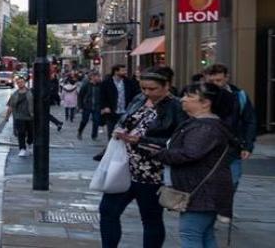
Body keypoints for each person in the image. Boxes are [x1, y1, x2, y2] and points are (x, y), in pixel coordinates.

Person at [146, 82, 238, 248]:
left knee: (190, 234)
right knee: (205, 235)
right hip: (206, 190)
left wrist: (159, 154)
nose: (183, 100)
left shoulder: (205, 127)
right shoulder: (203, 123)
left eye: (189, 96)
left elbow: (189, 153)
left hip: (201, 191)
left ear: (205, 103)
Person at [98, 69, 181, 248]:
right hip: (125, 166)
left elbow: (178, 140)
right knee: (107, 211)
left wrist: (141, 140)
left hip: (152, 171)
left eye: (153, 89)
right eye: (144, 88)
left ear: (167, 86)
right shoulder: (139, 99)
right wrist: (120, 131)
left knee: (150, 218)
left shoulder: (176, 106)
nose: (148, 93)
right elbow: (125, 120)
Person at [202, 63, 257, 185]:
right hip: (204, 148)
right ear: (205, 78)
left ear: (227, 78)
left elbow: (249, 121)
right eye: (211, 80)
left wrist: (247, 146)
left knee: (231, 185)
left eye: (219, 80)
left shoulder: (239, 95)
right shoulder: (198, 96)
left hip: (231, 148)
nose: (215, 83)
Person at [97, 64, 138, 146]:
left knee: (125, 132)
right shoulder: (106, 83)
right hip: (112, 112)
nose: (125, 72)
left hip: (125, 112)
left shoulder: (128, 82)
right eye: (122, 70)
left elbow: (135, 94)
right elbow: (101, 96)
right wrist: (104, 107)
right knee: (112, 132)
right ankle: (111, 149)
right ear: (116, 71)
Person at [7, 76, 35, 156]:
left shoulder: (31, 92)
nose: (20, 84)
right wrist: (7, 117)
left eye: (22, 82)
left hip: (30, 116)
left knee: (31, 133)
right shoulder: (14, 94)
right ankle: (22, 148)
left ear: (25, 82)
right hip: (19, 117)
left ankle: (30, 144)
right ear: (16, 84)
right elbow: (10, 106)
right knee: (21, 133)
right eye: (18, 82)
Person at [78, 71, 103, 139]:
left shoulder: (100, 85)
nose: (99, 78)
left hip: (97, 106)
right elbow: (80, 96)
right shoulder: (86, 85)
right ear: (92, 77)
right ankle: (80, 131)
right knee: (84, 120)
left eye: (99, 76)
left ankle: (94, 135)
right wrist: (80, 107)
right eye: (97, 76)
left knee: (96, 121)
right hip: (87, 106)